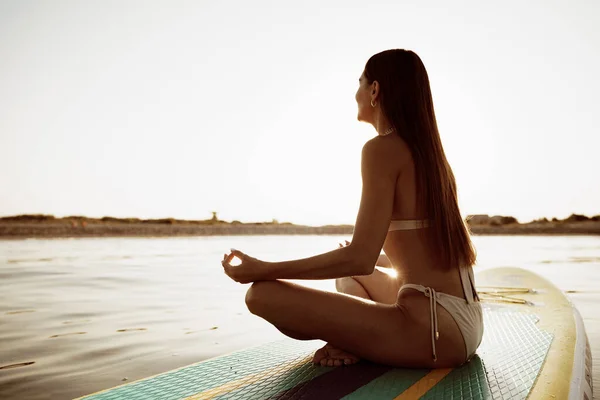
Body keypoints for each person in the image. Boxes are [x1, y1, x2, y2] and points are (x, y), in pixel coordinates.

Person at [222, 49, 483, 369]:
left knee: (261, 295)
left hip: (433, 335)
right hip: (465, 323)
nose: (355, 93)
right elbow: (421, 255)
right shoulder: (433, 159)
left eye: (359, 83)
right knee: (349, 285)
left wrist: (264, 269)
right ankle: (353, 340)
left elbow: (359, 258)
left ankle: (351, 342)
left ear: (375, 90)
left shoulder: (381, 150)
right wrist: (375, 259)